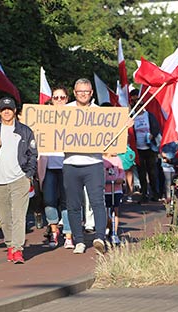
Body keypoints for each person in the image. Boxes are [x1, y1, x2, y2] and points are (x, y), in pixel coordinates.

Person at [0, 97, 38, 264]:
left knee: (19, 215)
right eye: (3, 109)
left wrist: (28, 175)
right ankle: (10, 245)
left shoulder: (25, 131)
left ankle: (18, 249)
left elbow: (32, 154)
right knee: (5, 217)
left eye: (10, 109)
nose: (6, 112)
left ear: (14, 111)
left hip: (20, 179)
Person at [62, 79, 106, 255]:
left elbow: (112, 133)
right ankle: (79, 240)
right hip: (71, 163)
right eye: (80, 91)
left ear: (91, 93)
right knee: (73, 204)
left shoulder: (100, 113)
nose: (83, 94)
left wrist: (124, 126)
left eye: (86, 91)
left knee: (97, 202)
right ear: (74, 92)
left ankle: (100, 237)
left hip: (93, 163)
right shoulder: (64, 112)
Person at [39, 86, 73, 249]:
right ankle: (54, 231)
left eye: (62, 97)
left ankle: (68, 234)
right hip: (49, 165)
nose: (59, 100)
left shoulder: (74, 117)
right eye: (55, 97)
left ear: (67, 99)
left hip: (67, 165)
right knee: (49, 200)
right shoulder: (43, 118)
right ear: (51, 100)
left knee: (67, 201)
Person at [129, 88, 162, 202]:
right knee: (141, 173)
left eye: (140, 104)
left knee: (152, 172)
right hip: (138, 149)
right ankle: (144, 194)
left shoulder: (149, 115)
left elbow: (156, 128)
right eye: (135, 104)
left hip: (150, 148)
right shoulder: (132, 117)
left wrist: (153, 135)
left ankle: (155, 193)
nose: (138, 107)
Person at [103, 152, 125, 245]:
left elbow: (121, 171)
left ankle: (114, 233)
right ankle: (106, 229)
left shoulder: (117, 159)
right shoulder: (102, 160)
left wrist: (120, 178)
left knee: (115, 211)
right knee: (106, 212)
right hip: (105, 190)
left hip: (116, 189)